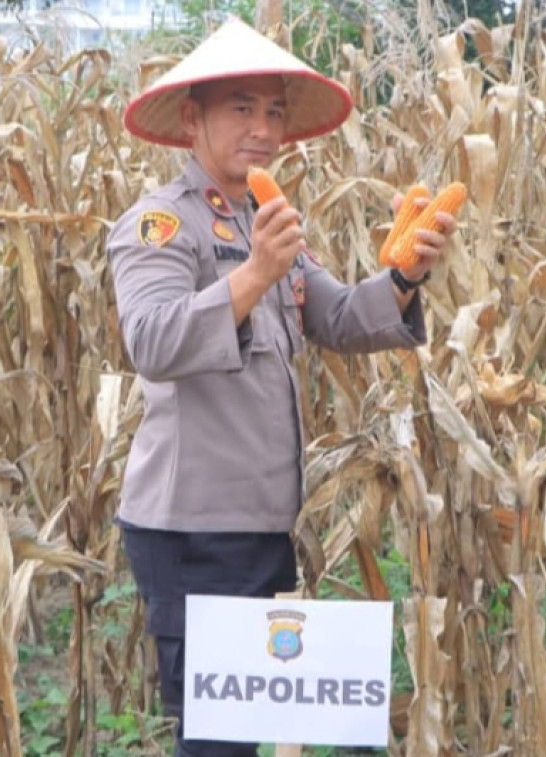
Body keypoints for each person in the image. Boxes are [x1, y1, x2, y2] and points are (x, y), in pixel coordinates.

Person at [106, 17, 457, 757]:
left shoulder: (266, 222)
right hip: (193, 530)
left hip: (268, 523)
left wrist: (405, 275)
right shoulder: (162, 224)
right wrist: (253, 274)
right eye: (241, 108)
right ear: (193, 118)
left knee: (272, 722)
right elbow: (153, 341)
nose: (263, 128)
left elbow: (338, 316)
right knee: (218, 740)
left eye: (273, 111)